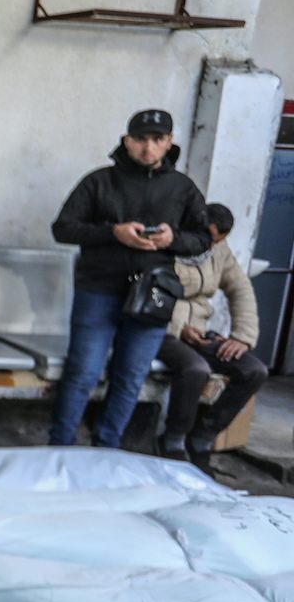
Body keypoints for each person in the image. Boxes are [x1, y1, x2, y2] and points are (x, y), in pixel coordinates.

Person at [49, 107, 210, 450]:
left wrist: (173, 239)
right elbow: (62, 228)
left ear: (169, 143)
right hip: (99, 290)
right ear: (127, 140)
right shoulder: (99, 181)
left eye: (156, 139)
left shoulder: (182, 188)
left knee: (131, 377)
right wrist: (113, 232)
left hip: (154, 294)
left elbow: (203, 239)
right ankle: (60, 448)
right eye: (140, 139)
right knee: (83, 373)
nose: (147, 148)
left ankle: (106, 449)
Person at [156, 202, 266, 467]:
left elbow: (240, 288)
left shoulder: (218, 250)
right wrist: (179, 328)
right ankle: (173, 439)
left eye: (218, 241)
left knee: (254, 371)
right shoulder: (165, 242)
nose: (211, 245)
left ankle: (203, 436)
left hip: (200, 332)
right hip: (160, 329)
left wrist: (242, 336)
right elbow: (147, 289)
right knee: (196, 369)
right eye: (209, 238)